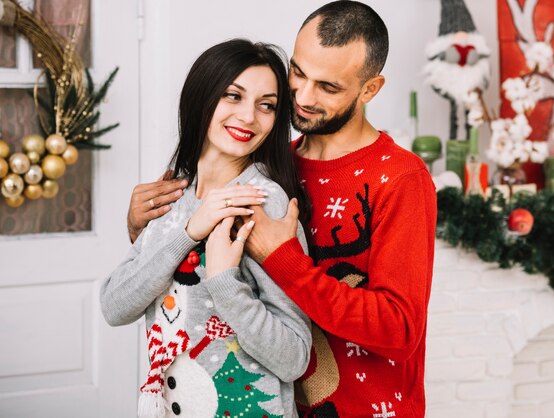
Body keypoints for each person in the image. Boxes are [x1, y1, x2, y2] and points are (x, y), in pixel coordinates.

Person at [127, 2, 437, 417]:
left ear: (370, 89)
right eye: (298, 73)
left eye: (328, 87)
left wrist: (284, 258)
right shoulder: (267, 168)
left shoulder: (401, 178)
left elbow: (399, 330)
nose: (304, 98)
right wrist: (144, 230)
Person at [101, 39, 312, 418]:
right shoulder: (173, 193)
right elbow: (114, 306)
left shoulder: (262, 202)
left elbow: (295, 358)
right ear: (202, 96)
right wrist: (188, 232)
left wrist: (224, 282)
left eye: (267, 105)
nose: (249, 116)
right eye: (233, 96)